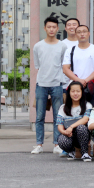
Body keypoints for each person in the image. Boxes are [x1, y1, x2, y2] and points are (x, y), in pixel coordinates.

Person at [32, 16, 67, 155]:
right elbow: (37, 65)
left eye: (54, 27)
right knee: (39, 116)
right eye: (49, 27)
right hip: (41, 84)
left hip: (57, 84)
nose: (51, 29)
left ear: (57, 29)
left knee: (57, 116)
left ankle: (57, 144)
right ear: (45, 28)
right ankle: (39, 144)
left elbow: (63, 64)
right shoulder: (38, 46)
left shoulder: (62, 46)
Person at [62, 25, 94, 106]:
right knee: (74, 111)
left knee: (90, 111)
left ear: (89, 33)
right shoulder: (70, 50)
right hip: (74, 88)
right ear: (76, 34)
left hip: (91, 88)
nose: (82, 34)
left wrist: (85, 80)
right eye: (79, 32)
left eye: (84, 31)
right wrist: (79, 80)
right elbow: (65, 69)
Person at [56, 81, 92, 161]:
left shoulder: (87, 105)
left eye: (78, 91)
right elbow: (59, 124)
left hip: (83, 135)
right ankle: (71, 151)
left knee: (81, 128)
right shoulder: (63, 108)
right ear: (69, 93)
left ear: (82, 92)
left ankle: (85, 153)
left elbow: (85, 119)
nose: (75, 93)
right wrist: (64, 132)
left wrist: (71, 127)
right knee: (61, 139)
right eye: (73, 91)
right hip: (69, 135)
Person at [61, 18, 80, 96]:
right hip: (64, 84)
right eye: (69, 25)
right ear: (65, 28)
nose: (72, 27)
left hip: (81, 82)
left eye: (74, 24)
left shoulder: (83, 44)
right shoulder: (61, 44)